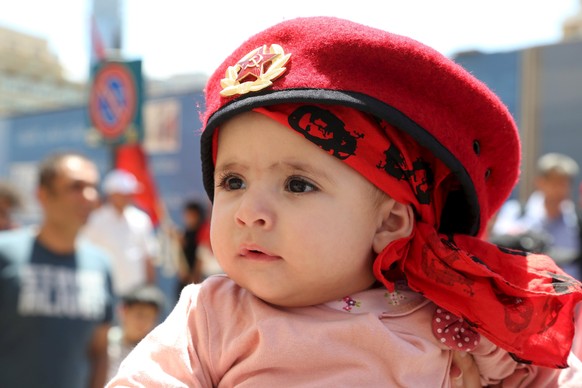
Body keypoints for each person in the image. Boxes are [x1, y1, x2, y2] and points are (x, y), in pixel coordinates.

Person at [107, 17, 582, 387]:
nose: (249, 210)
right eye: (232, 181)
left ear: (389, 222)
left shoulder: (455, 318)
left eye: (297, 185)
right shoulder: (211, 314)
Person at [0, 152, 114, 388]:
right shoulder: (6, 253)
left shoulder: (100, 265)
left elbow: (99, 352)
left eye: (94, 187)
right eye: (76, 187)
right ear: (42, 195)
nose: (90, 197)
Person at [491, 152, 581, 279]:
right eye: (555, 183)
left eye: (564, 183)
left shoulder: (577, 220)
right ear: (540, 182)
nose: (560, 190)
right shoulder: (515, 212)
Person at [83, 169, 158, 298]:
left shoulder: (141, 219)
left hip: (136, 292)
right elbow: (86, 254)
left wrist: (149, 289)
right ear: (112, 194)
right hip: (104, 291)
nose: (130, 197)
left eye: (130, 193)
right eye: (125, 193)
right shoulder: (95, 220)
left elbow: (148, 256)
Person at [107, 284, 166, 381]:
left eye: (149, 317)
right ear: (124, 311)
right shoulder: (106, 343)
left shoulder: (156, 352)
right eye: (139, 315)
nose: (143, 322)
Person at [176, 200, 206, 296]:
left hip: (201, 281)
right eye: (187, 215)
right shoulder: (183, 234)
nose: (189, 218)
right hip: (185, 281)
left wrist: (195, 277)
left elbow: (201, 257)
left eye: (192, 215)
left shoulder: (204, 233)